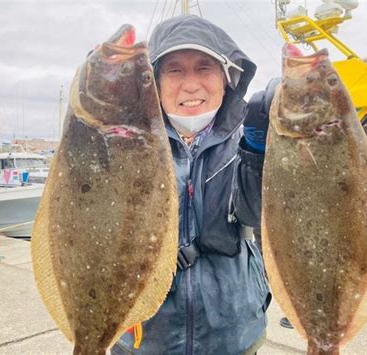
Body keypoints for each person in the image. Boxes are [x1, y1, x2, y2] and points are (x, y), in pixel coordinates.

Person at [111, 15, 273, 354]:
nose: (190, 84)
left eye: (204, 68)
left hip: (233, 335)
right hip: (144, 339)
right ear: (153, 81)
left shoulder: (250, 139)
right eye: (174, 70)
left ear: (227, 78)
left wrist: (259, 155)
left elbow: (260, 215)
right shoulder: (126, 143)